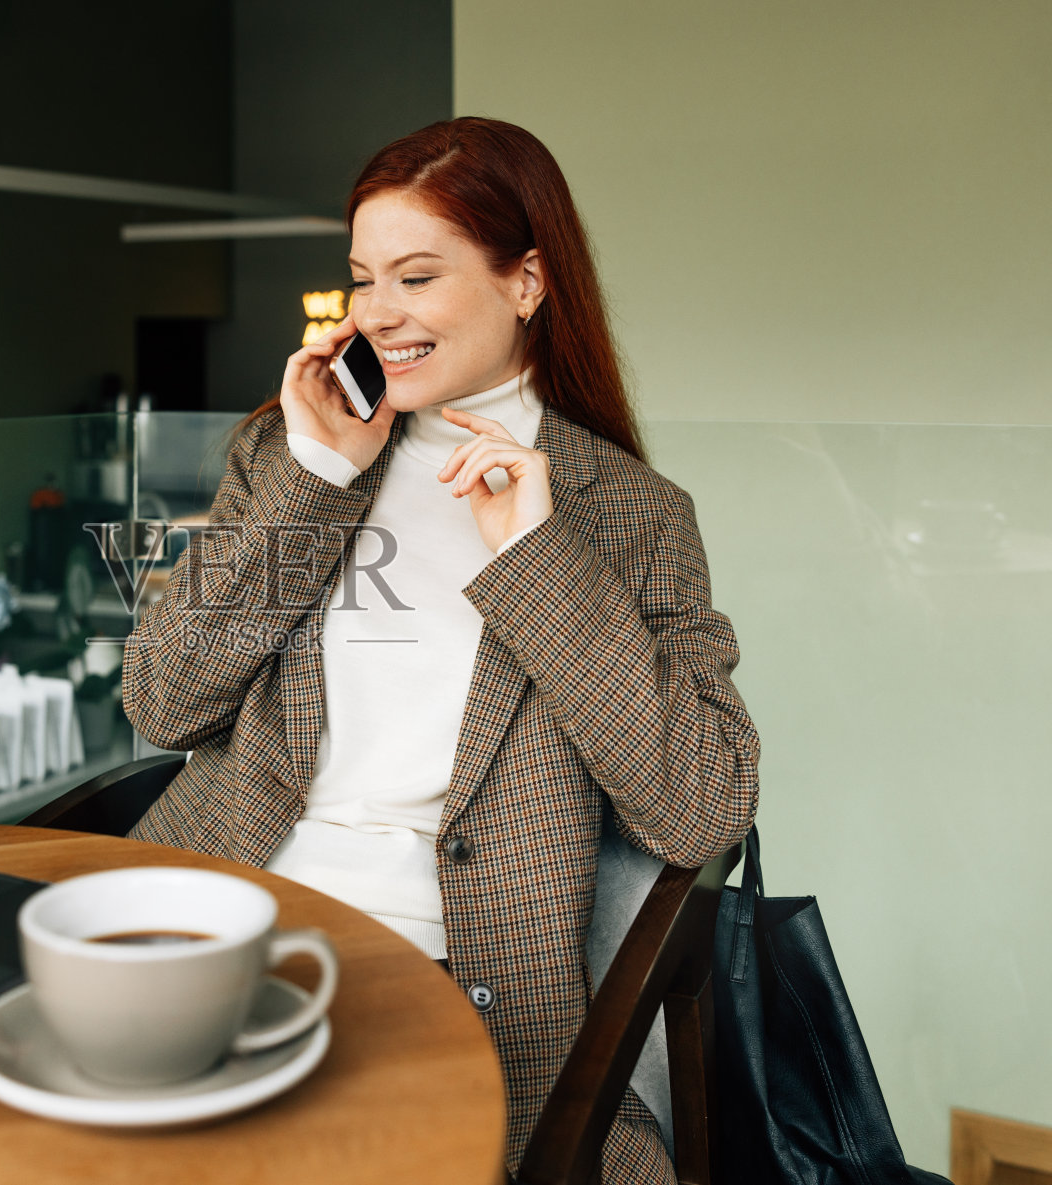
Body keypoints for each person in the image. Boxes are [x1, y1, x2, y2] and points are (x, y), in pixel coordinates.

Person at [120, 117, 760, 1185]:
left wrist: (539, 559)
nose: (377, 313)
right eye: (363, 279)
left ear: (527, 281)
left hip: (448, 981)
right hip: (213, 917)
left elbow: (701, 809)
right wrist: (316, 479)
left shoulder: (630, 515)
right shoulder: (291, 453)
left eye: (417, 277)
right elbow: (164, 702)